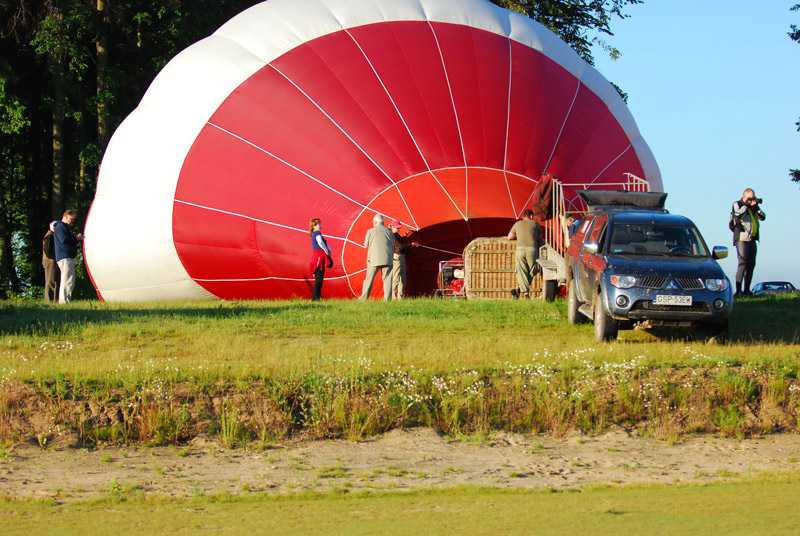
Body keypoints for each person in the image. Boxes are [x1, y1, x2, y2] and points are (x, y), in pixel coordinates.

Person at [731, 188, 766, 297]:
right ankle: (738, 290)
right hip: (742, 238)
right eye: (751, 197)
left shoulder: (753, 208)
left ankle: (747, 290)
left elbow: (763, 217)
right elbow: (738, 215)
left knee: (751, 264)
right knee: (743, 263)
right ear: (745, 196)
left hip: (752, 239)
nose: (752, 199)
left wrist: (755, 206)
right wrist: (746, 205)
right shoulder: (737, 204)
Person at [359, 214, 395, 301]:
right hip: (387, 258)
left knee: (369, 280)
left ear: (375, 222)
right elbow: (393, 243)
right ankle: (387, 299)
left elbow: (365, 245)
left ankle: (363, 298)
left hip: (373, 259)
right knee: (387, 280)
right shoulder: (390, 231)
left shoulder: (370, 231)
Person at [507, 208, 541, 299]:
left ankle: (521, 291)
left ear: (523, 216)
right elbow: (540, 238)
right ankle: (524, 293)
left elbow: (509, 237)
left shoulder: (517, 224)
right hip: (532, 249)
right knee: (533, 270)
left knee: (522, 271)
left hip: (520, 249)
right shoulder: (536, 224)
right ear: (531, 216)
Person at [54, 209, 83, 304]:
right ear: (66, 217)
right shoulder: (61, 227)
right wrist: (75, 238)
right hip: (65, 257)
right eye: (71, 219)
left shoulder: (62, 227)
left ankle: (66, 299)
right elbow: (63, 240)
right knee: (67, 280)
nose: (72, 222)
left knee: (69, 279)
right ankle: (64, 301)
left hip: (66, 256)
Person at [389, 220, 417, 299]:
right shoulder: (392, 236)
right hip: (397, 258)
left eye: (399, 228)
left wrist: (406, 234)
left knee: (403, 279)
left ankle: (401, 297)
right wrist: (411, 245)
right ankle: (393, 297)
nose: (399, 229)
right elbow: (400, 246)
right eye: (397, 228)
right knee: (396, 278)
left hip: (401, 257)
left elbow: (401, 240)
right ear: (393, 227)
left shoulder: (396, 235)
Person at [308, 218, 333, 301]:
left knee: (318, 280)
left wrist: (328, 250)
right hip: (319, 258)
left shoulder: (314, 235)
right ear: (314, 226)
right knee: (319, 280)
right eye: (319, 224)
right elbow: (320, 242)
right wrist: (326, 251)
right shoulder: (317, 233)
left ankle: (317, 298)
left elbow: (322, 243)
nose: (321, 226)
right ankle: (315, 299)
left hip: (316, 257)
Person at [42, 221, 59, 302]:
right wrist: (52, 257)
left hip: (49, 260)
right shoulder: (49, 236)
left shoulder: (50, 235)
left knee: (52, 280)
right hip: (50, 261)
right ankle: (49, 300)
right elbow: (47, 249)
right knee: (50, 280)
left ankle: (52, 299)